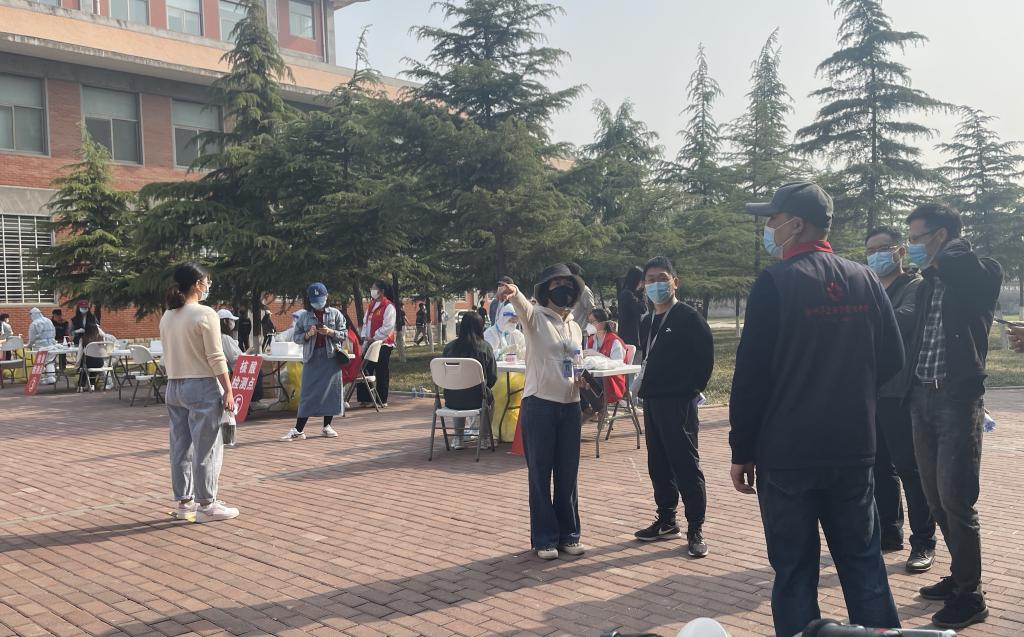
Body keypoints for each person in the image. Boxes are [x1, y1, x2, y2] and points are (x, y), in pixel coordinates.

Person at [729, 182, 904, 637]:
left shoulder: (775, 283)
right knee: (864, 566)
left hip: (788, 453)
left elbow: (751, 376)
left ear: (796, 224)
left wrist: (741, 449)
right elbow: (893, 358)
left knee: (794, 572)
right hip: (853, 448)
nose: (768, 228)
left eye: (772, 219)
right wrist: (852, 393)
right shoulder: (865, 279)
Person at [903, 203, 1002, 630]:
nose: (911, 246)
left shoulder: (982, 272)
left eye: (917, 238)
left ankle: (971, 595)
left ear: (941, 235)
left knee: (957, 500)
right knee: (935, 498)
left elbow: (968, 272)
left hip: (957, 402)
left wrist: (948, 251)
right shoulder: (928, 284)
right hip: (921, 397)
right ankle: (960, 575)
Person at [497, 264, 586, 560]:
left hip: (570, 406)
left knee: (568, 474)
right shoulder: (534, 317)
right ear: (546, 289)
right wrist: (513, 291)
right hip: (540, 405)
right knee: (540, 473)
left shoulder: (575, 326)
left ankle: (569, 534)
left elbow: (575, 361)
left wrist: (582, 379)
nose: (563, 288)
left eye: (568, 284)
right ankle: (545, 538)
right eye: (556, 284)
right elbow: (521, 305)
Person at [864, 227, 937, 573]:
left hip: (901, 391)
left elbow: (904, 321)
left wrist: (861, 316)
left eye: (883, 248)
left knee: (910, 468)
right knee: (879, 467)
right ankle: (889, 534)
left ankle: (923, 541)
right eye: (870, 250)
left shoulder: (915, 287)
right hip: (872, 391)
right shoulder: (872, 288)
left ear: (900, 251)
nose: (876, 255)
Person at [632, 257, 714, 558]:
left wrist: (688, 391)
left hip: (679, 403)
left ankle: (696, 528)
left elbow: (705, 361)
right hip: (653, 402)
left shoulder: (689, 318)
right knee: (659, 464)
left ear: (674, 282)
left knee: (685, 465)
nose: (656, 284)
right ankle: (666, 520)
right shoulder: (646, 321)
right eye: (650, 279)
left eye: (662, 278)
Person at [160, 262, 238, 523]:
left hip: (174, 385)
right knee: (207, 447)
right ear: (197, 284)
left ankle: (185, 502)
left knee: (180, 446)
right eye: (207, 281)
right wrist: (228, 389)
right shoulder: (205, 313)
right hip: (202, 384)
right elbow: (216, 356)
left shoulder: (168, 315)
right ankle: (208, 503)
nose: (208, 285)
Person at [280, 283, 346, 441]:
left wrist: (330, 332)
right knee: (307, 393)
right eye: (315, 300)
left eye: (321, 299)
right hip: (312, 357)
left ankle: (327, 426)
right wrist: (308, 335)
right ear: (309, 300)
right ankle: (299, 429)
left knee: (331, 391)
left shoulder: (335, 314)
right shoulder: (304, 316)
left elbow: (344, 334)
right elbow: (296, 338)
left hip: (331, 357)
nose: (318, 303)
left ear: (326, 297)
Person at [441, 312, 498, 449]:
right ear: (480, 327)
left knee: (459, 391)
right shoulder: (485, 347)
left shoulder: (449, 348)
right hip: (477, 398)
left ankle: (458, 439)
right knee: (489, 399)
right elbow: (492, 377)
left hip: (452, 399)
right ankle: (484, 439)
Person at [484, 304, 527, 442]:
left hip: (515, 374)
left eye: (515, 321)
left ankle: (510, 429)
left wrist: (521, 351)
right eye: (511, 321)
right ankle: (496, 428)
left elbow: (525, 352)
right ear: (504, 318)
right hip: (497, 375)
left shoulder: (517, 334)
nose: (513, 324)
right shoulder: (490, 333)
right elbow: (488, 356)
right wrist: (501, 351)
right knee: (502, 393)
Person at [579, 308, 628, 422]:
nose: (589, 325)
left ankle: (597, 409)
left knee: (586, 382)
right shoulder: (590, 340)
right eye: (589, 322)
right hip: (595, 376)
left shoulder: (615, 341)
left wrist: (597, 355)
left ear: (602, 323)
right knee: (577, 380)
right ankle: (588, 409)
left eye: (592, 322)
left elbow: (618, 363)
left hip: (612, 379)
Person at [359, 280, 396, 407]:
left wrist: (375, 337)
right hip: (369, 342)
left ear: (381, 291)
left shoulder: (389, 306)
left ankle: (381, 400)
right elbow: (365, 323)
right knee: (365, 369)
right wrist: (365, 337)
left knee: (381, 371)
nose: (372, 290)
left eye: (374, 288)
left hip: (383, 344)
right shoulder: (372, 305)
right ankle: (365, 399)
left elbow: (388, 327)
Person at [75, 321, 109, 391]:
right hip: (100, 362)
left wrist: (77, 365)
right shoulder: (101, 339)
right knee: (93, 362)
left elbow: (80, 354)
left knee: (84, 366)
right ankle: (92, 384)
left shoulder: (83, 339)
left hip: (88, 362)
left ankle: (81, 385)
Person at [338, 308, 362, 408]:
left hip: (350, 369)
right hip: (349, 367)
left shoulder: (347, 336)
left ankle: (339, 400)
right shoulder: (349, 332)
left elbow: (346, 354)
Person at [27, 307, 58, 385]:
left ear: (33, 314)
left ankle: (41, 378)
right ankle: (51, 377)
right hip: (52, 345)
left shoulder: (34, 324)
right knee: (50, 362)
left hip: (40, 347)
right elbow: (54, 332)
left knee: (40, 363)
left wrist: (29, 345)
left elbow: (32, 338)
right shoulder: (48, 321)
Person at [566, 263, 596, 339]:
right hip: (567, 334)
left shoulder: (584, 290)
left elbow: (591, 311)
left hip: (581, 334)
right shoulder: (563, 291)